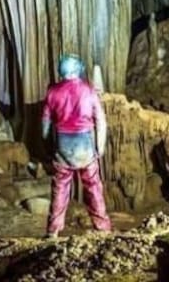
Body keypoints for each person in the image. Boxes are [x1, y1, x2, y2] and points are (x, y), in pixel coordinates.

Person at [41, 53, 112, 238]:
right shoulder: (89, 90)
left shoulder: (52, 92)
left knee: (60, 187)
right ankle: (102, 227)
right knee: (93, 186)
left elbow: (45, 124)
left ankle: (53, 230)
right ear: (78, 69)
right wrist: (100, 147)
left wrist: (49, 146)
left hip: (63, 147)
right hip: (85, 147)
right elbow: (101, 120)